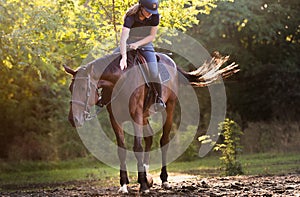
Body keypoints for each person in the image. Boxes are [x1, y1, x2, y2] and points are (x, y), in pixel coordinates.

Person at [118, 0, 166, 111]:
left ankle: (159, 99)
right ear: (141, 7)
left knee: (153, 71)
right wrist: (124, 57)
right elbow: (123, 39)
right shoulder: (130, 17)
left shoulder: (155, 16)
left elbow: (151, 36)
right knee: (111, 61)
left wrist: (137, 44)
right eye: (148, 11)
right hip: (128, 43)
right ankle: (103, 96)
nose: (150, 14)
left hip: (145, 43)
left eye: (152, 12)